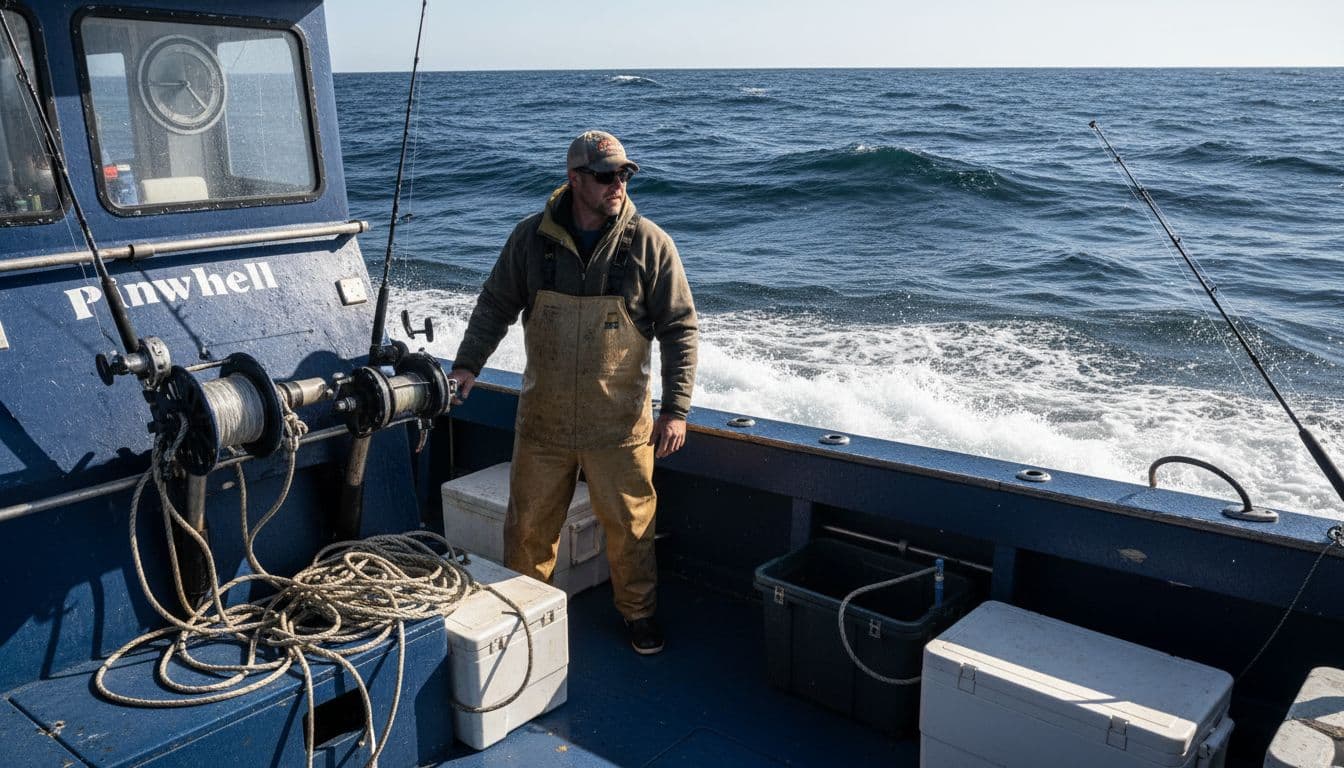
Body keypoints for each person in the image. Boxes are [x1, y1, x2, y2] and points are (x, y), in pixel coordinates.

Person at [448, 130, 698, 655]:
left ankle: (638, 614)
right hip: (544, 423)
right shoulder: (529, 241)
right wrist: (467, 366)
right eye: (606, 176)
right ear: (575, 180)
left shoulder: (651, 244)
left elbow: (679, 328)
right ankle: (526, 616)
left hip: (620, 424)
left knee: (632, 529)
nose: (618, 185)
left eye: (625, 174)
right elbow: (495, 305)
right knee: (528, 532)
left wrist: (675, 410)